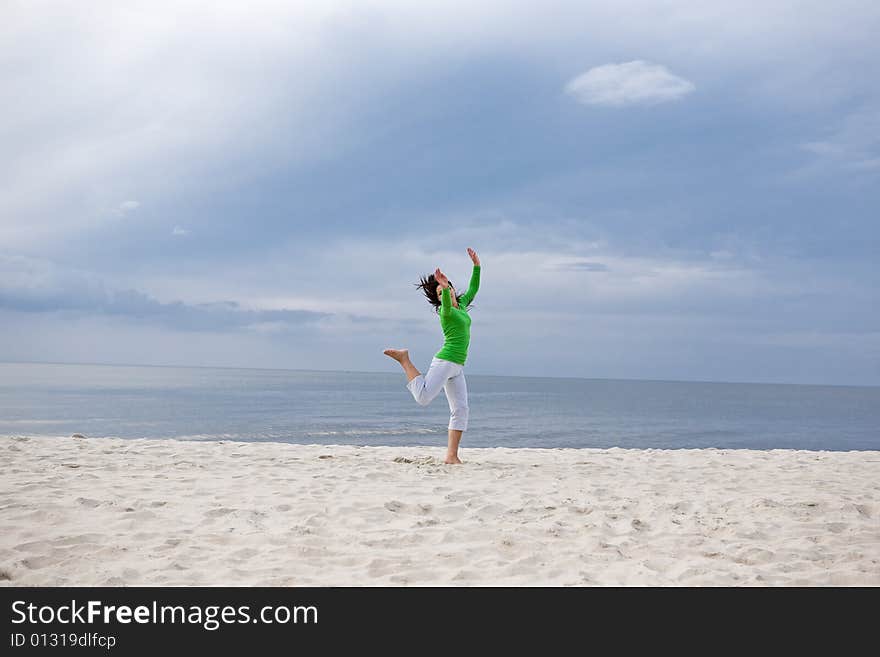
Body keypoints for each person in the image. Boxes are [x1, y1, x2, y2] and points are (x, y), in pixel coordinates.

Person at [384, 248, 481, 464]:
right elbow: (446, 305)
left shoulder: (463, 306)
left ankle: (451, 456)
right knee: (423, 397)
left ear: (454, 288)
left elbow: (474, 288)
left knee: (461, 409)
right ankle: (404, 360)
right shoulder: (445, 313)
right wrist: (444, 290)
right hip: (445, 361)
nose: (445, 293)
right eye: (439, 294)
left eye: (447, 289)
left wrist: (476, 266)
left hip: (457, 366)